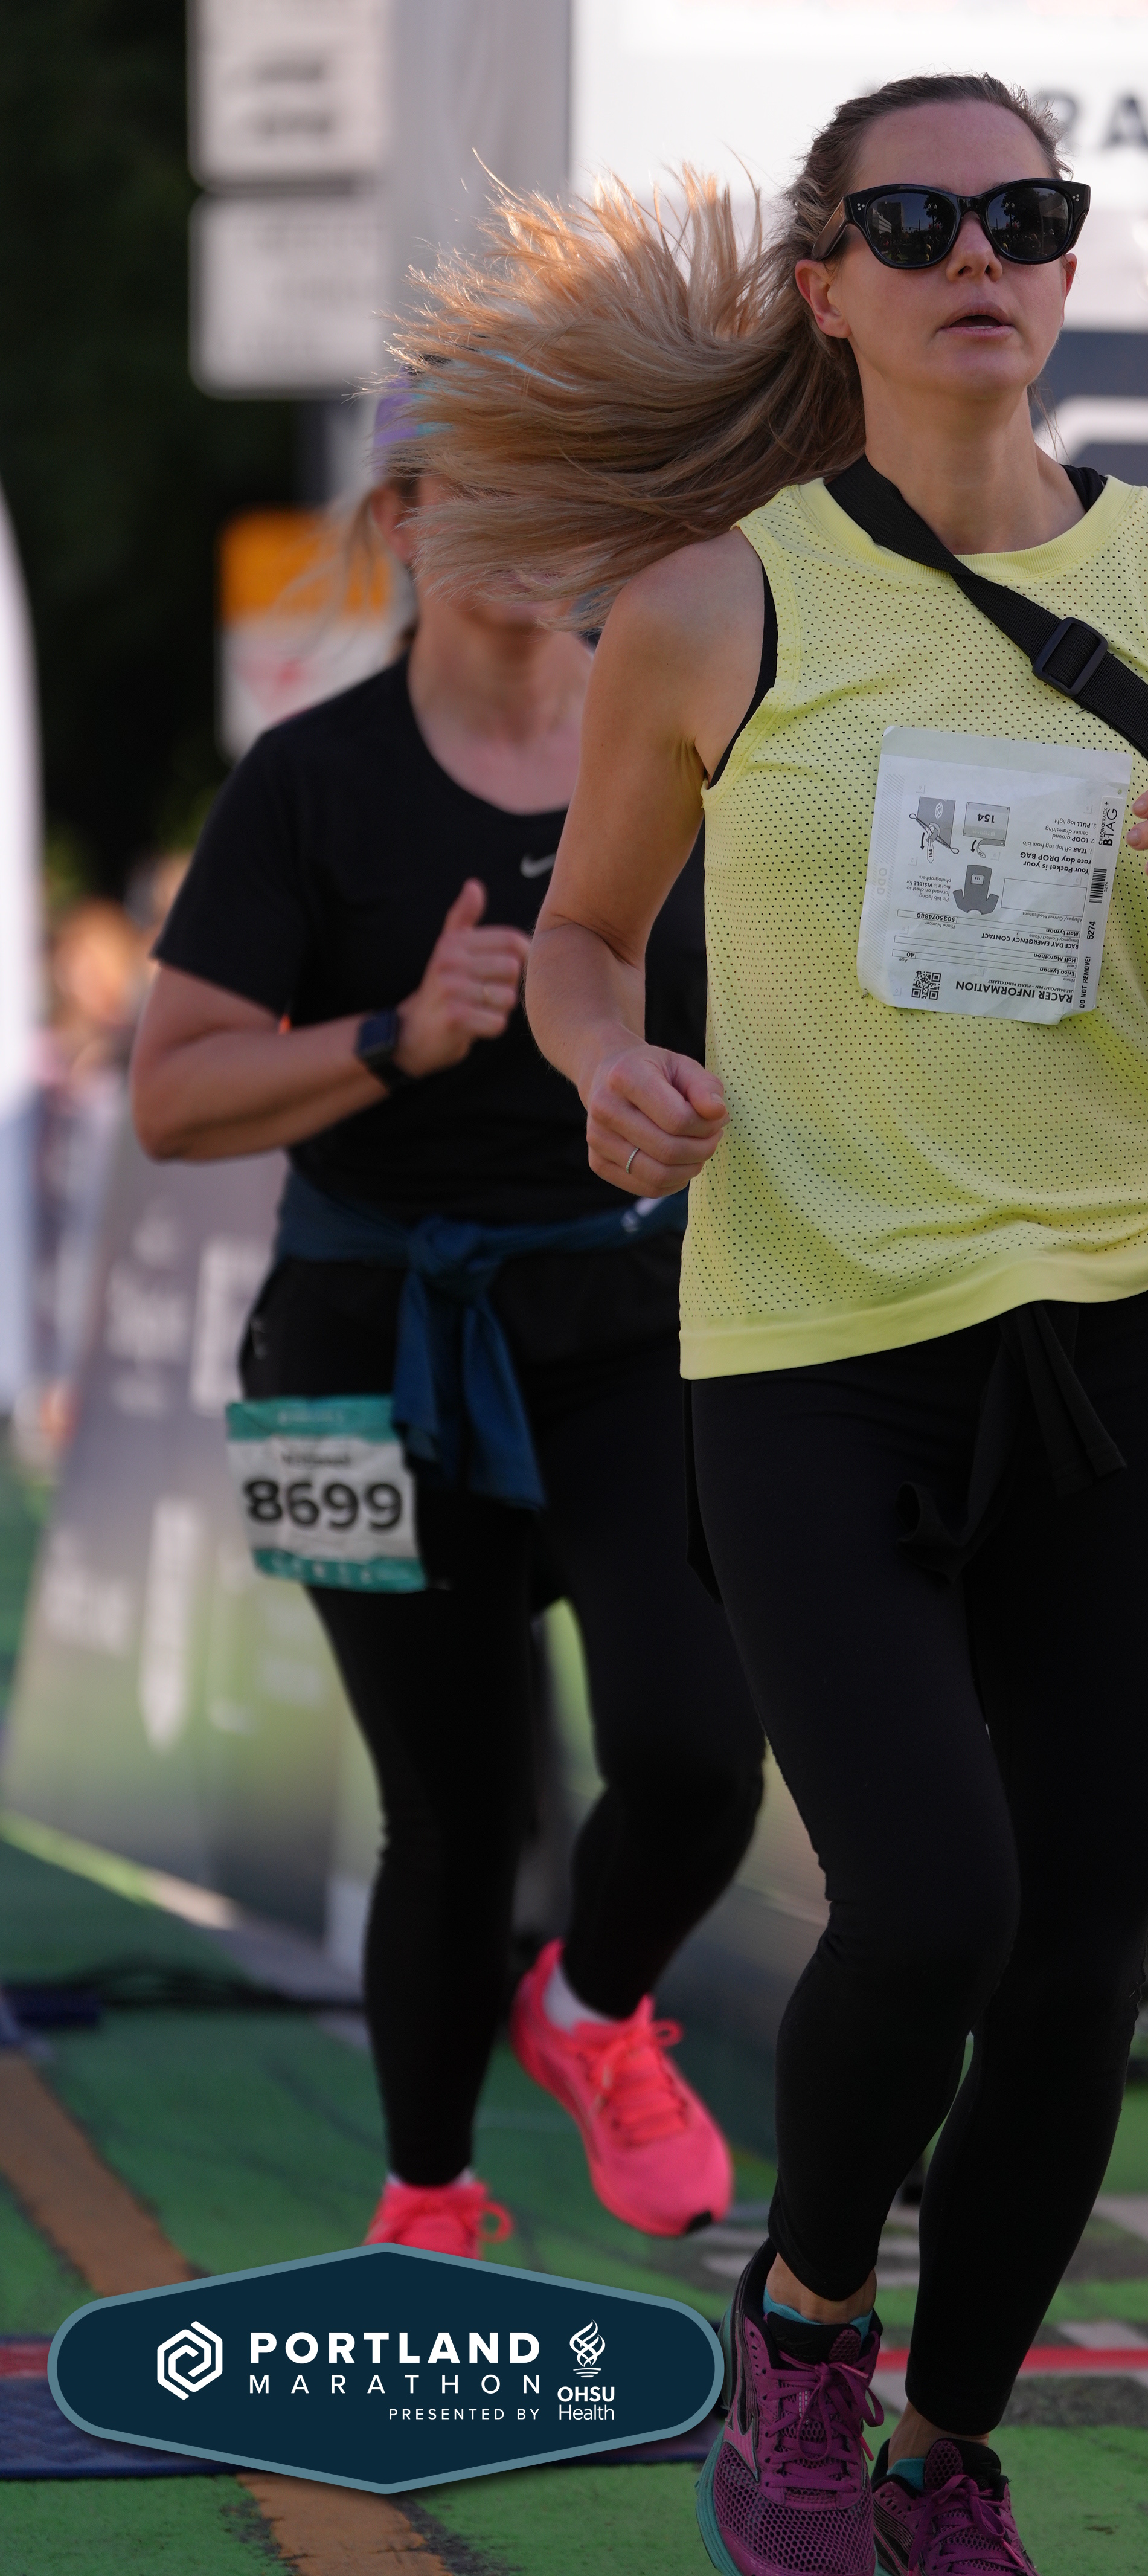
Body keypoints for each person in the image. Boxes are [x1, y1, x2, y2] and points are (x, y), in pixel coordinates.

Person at [391, 71, 1148, 2575]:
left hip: (1123, 1328)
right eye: (913, 218)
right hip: (812, 1341)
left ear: (1070, 267)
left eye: (1023, 213)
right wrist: (606, 1068)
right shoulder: (713, 606)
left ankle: (946, 2447)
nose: (975, 251)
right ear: (828, 286)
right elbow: (583, 937)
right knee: (939, 1906)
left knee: (1083, 1968)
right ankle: (802, 2321)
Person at [127, 405, 765, 2259]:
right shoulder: (308, 779)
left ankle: (595, 2010)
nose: (534, 529)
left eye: (568, 484)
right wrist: (396, 1037)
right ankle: (425, 2195)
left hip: (631, 1317)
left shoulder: (686, 736)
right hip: (358, 1343)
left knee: (699, 1753)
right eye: (483, 489)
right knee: (450, 1813)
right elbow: (171, 1096)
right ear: (401, 521)